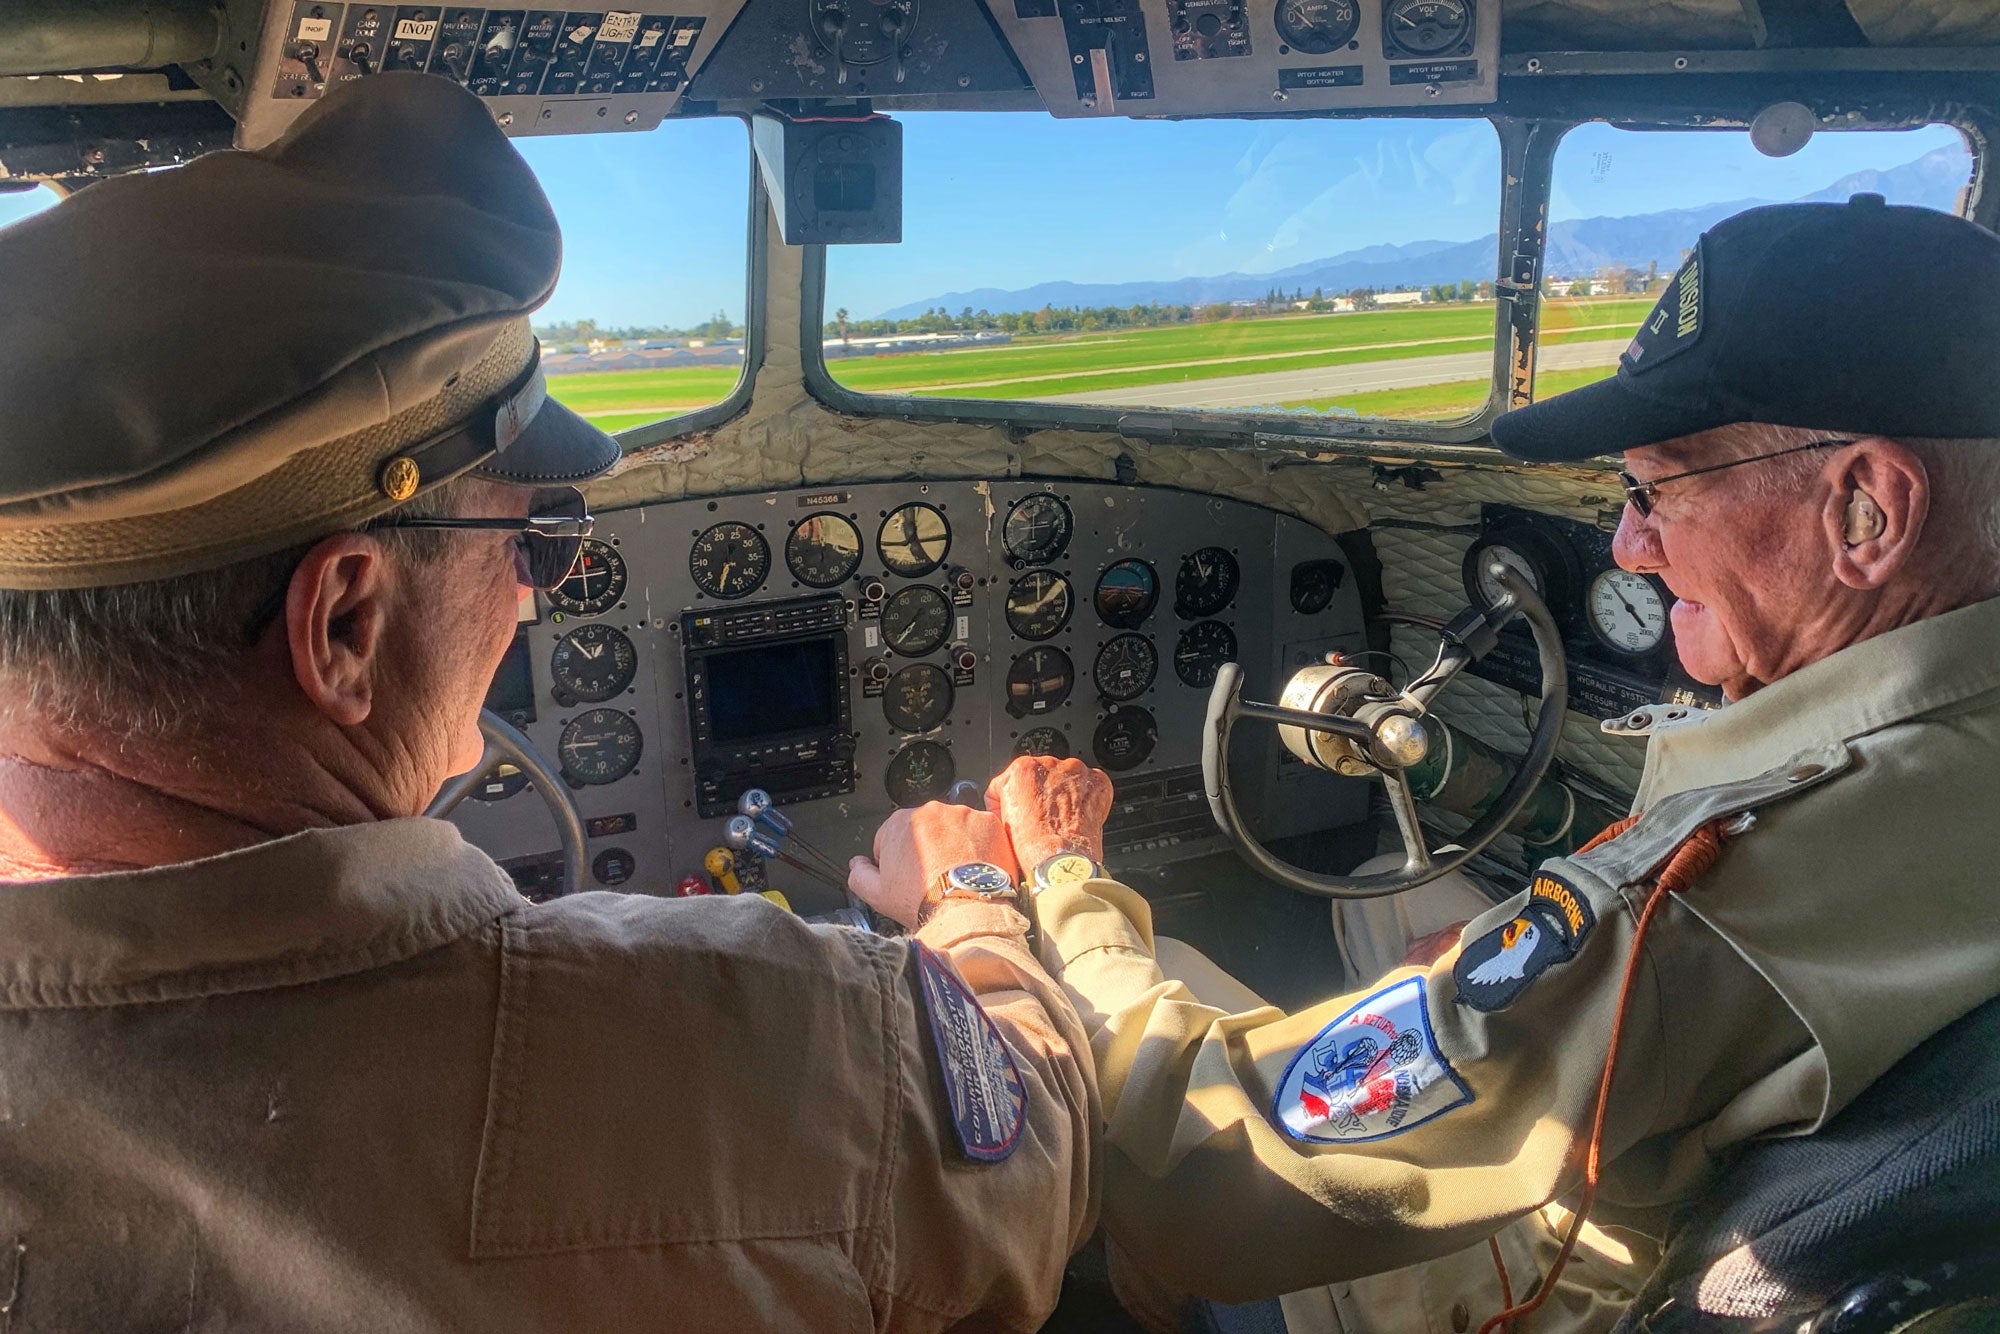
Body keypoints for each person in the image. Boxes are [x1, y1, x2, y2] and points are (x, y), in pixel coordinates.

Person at [0, 73, 1098, 1331]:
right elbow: (1031, 1174)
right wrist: (976, 907)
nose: (533, 601)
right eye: (540, 541)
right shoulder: (776, 1040)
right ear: (344, 623)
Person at [961, 195, 2000, 1333]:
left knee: (1126, 1006)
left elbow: (1217, 1167)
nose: (1626, 544)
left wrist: (1038, 886)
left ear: (1866, 507)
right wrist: (1527, 978)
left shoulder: (1718, 895)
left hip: (1592, 1279)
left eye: (1658, 486)